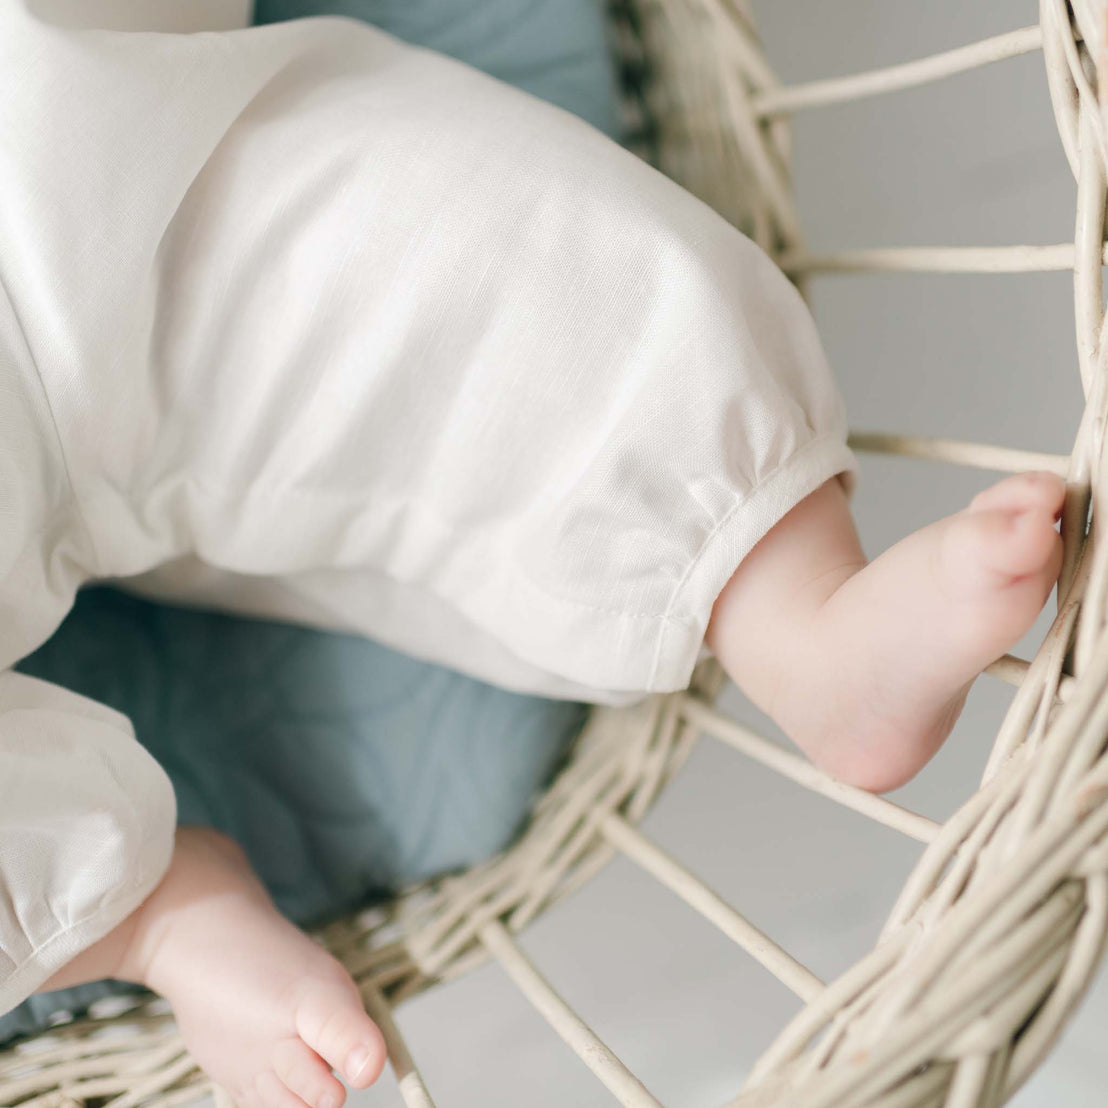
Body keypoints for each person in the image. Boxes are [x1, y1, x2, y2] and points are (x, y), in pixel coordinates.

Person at [0, 3, 1062, 1105]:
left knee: (461, 266)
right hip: (82, 275)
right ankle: (794, 616)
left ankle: (787, 605)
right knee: (467, 293)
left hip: (71, 132)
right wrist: (149, 923)